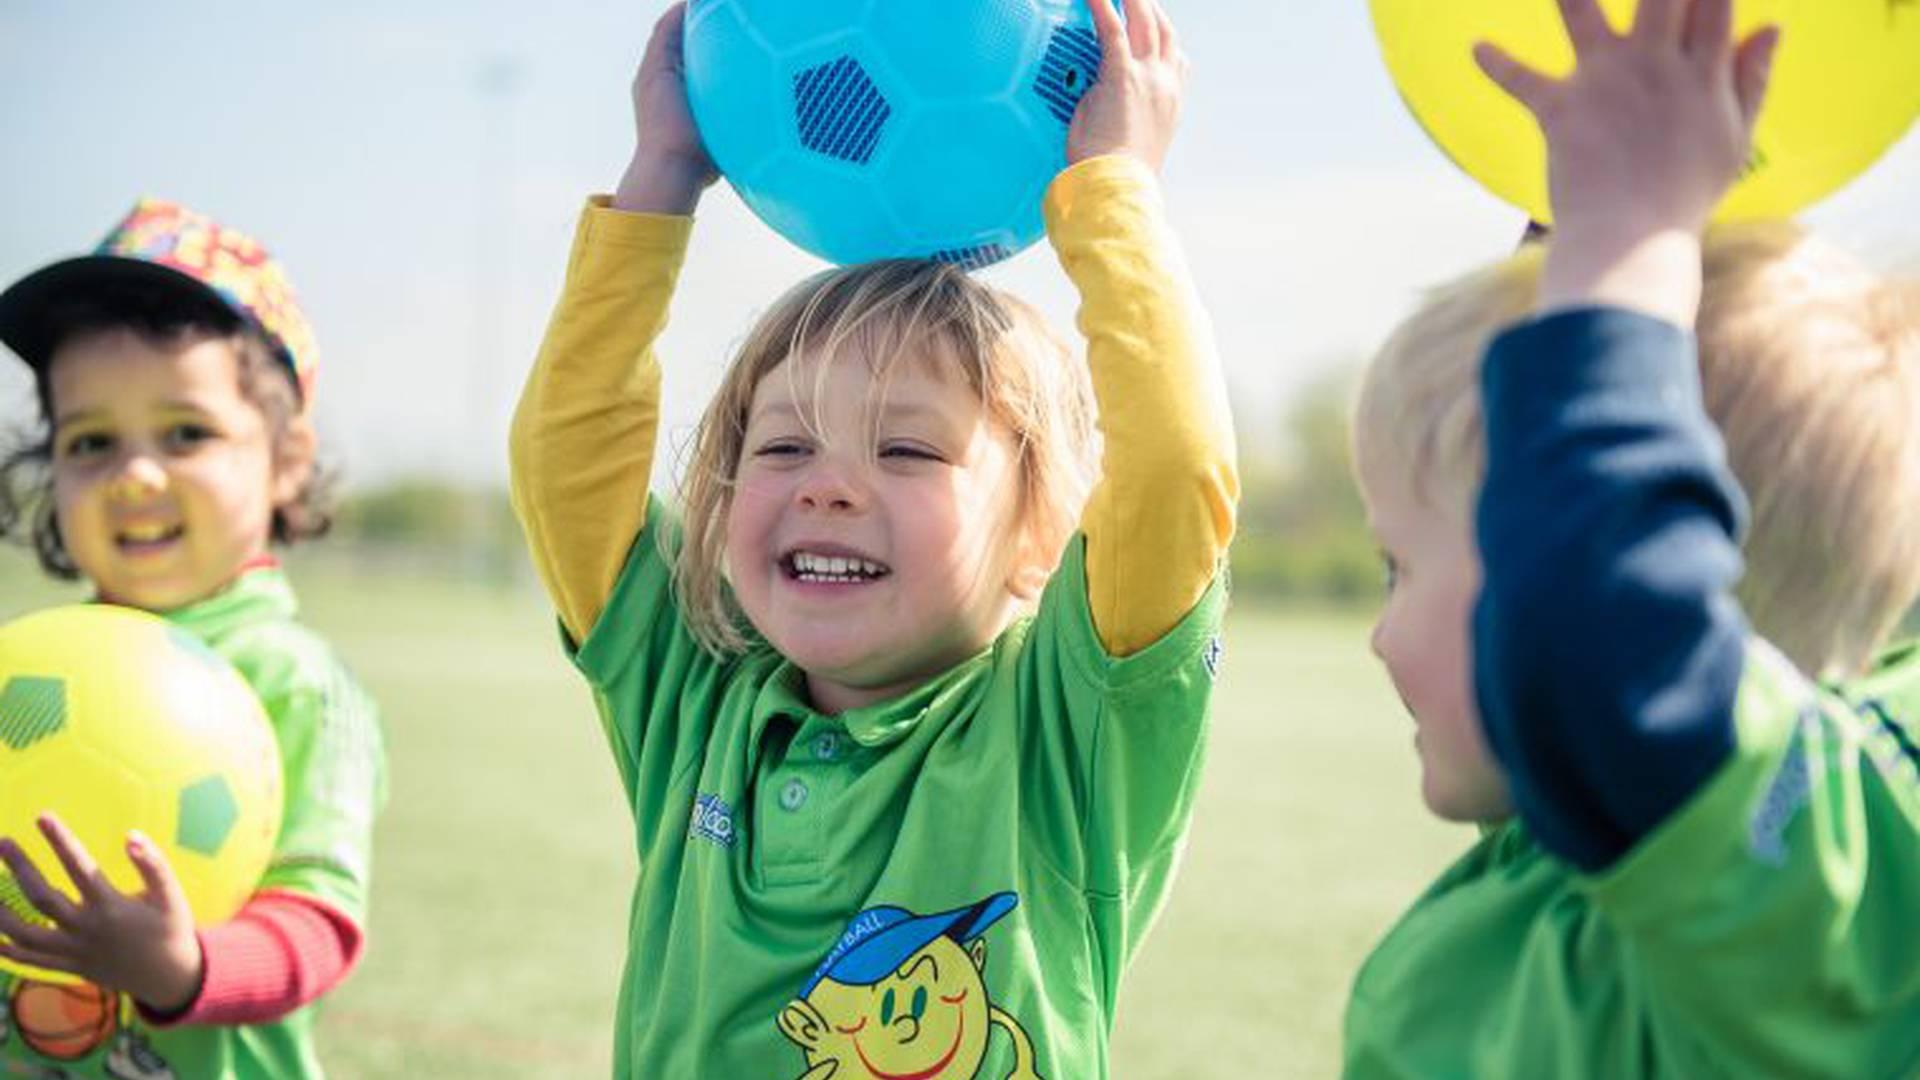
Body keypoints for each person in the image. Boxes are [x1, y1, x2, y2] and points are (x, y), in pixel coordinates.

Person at [508, 0, 1235, 1073]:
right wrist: (660, 173)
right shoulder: (694, 697)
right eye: (786, 448)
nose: (830, 490)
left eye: (906, 452)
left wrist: (1115, 191)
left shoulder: (1069, 726)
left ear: (1044, 527)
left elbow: (1175, 468)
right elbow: (567, 466)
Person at [1343, 0, 1920, 1074]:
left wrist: (1631, 238)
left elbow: (1601, 648)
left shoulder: (1818, 882)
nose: (1379, 635)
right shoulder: (1583, 834)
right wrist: (1576, 226)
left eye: (1402, 567)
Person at [0, 198, 387, 1079]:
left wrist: (183, 969)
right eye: (91, 440)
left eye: (185, 433)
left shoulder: (299, 685)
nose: (135, 473)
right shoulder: (31, 667)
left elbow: (318, 922)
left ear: (287, 457)